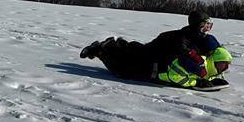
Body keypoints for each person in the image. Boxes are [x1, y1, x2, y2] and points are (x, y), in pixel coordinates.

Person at [79, 10, 233, 88]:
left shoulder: (203, 38)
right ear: (198, 25)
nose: (208, 29)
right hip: (155, 54)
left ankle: (114, 44)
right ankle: (101, 48)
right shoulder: (185, 37)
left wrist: (213, 75)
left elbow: (213, 51)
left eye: (210, 25)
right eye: (206, 25)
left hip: (160, 61)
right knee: (123, 68)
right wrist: (199, 76)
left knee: (131, 54)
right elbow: (184, 54)